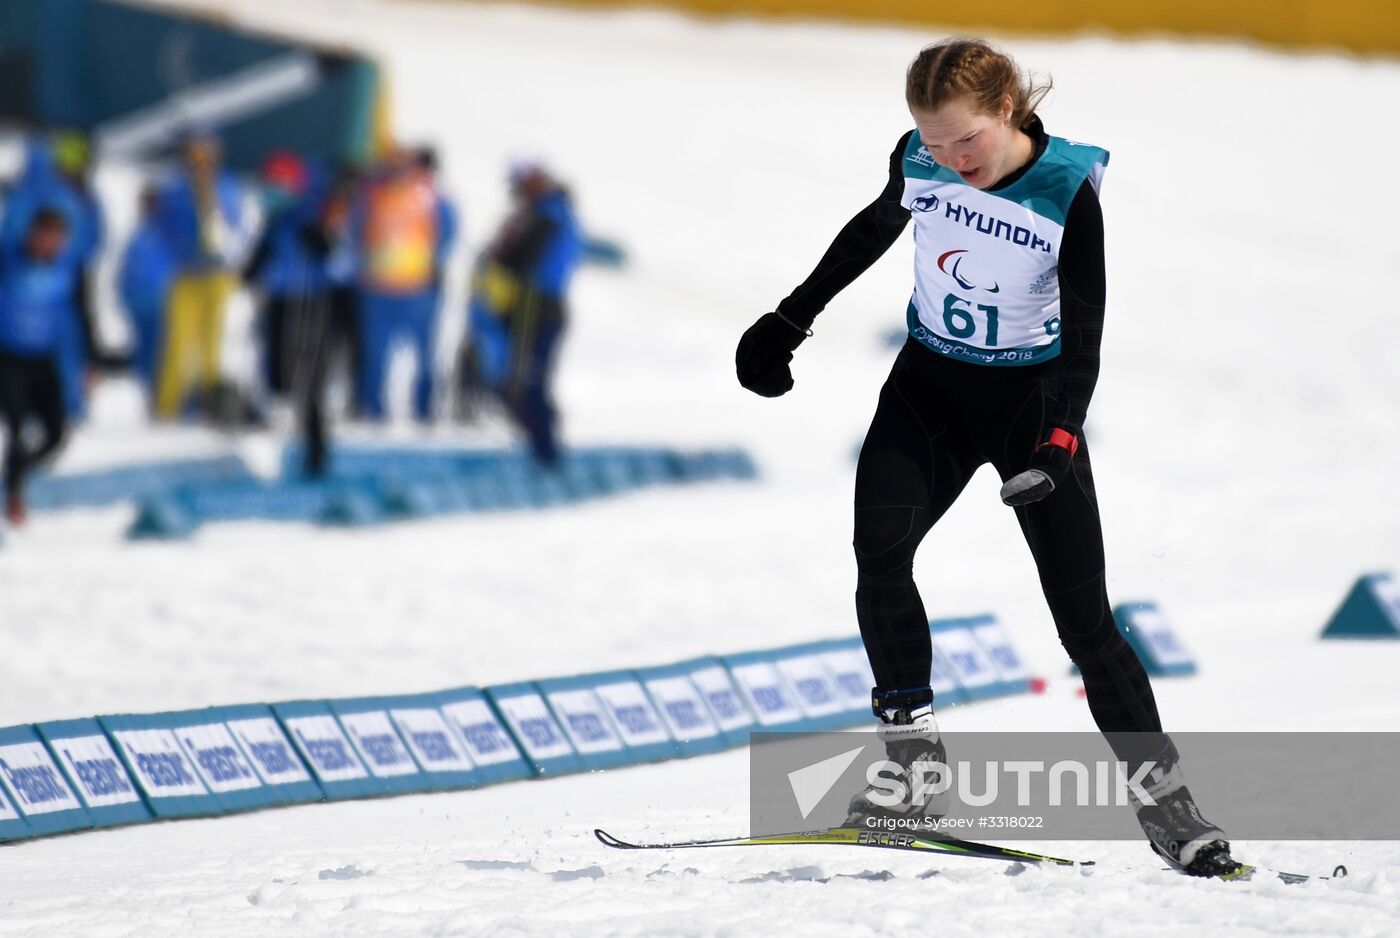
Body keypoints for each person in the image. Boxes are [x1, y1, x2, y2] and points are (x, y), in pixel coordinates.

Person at [735, 38, 1239, 877]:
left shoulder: (1065, 191)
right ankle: (912, 770)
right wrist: (791, 317)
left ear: (1007, 110)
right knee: (879, 552)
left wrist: (1061, 437)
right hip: (929, 387)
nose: (946, 159)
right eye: (930, 143)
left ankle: (1170, 809)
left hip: (1032, 408)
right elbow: (875, 225)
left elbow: (1085, 336)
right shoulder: (922, 158)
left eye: (962, 141)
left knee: (1085, 623)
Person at [457, 160, 581, 466]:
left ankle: (547, 454)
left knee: (527, 383)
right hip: (528, 309)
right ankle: (543, 447)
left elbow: (520, 262)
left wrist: (496, 259)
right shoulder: (543, 215)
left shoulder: (549, 217)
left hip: (537, 310)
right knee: (519, 381)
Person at [243, 151, 342, 476]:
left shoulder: (309, 216)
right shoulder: (274, 223)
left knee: (310, 382)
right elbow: (255, 263)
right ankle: (282, 444)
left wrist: (317, 237)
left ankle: (316, 455)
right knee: (278, 375)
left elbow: (330, 252)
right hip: (280, 302)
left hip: (311, 303)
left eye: (276, 185)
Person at [351, 144, 456, 422]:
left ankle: (425, 411)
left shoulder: (430, 195)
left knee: (425, 355)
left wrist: (433, 264)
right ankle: (372, 410)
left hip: (417, 289)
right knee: (375, 355)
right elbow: (355, 232)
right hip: (378, 288)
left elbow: (448, 233)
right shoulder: (371, 196)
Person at [151, 129, 249, 420]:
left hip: (218, 276)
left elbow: (235, 234)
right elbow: (164, 232)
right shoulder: (175, 192)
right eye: (195, 156)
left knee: (213, 346)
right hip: (186, 275)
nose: (201, 164)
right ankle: (166, 408)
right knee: (178, 344)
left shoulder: (229, 189)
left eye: (207, 156)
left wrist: (210, 204)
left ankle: (211, 406)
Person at [0, 208, 76, 525]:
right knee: (18, 430)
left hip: (42, 358)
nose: (51, 244)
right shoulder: (8, 260)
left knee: (56, 435)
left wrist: (93, 361)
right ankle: (14, 494)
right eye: (46, 236)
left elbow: (82, 313)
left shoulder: (68, 268)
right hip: (8, 357)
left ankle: (15, 476)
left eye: (57, 238)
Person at [117, 183, 177, 401]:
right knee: (148, 351)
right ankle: (153, 394)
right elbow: (127, 270)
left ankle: (161, 395)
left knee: (161, 351)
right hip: (141, 301)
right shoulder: (141, 234)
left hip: (159, 300)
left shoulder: (165, 233)